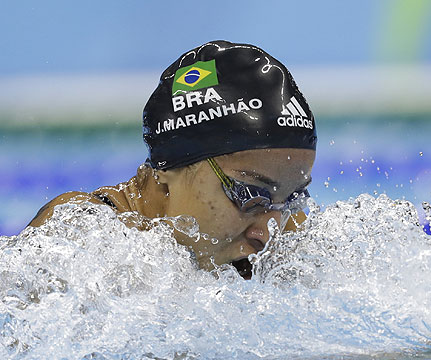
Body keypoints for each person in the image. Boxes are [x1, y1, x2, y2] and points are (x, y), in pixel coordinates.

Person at [28, 40, 317, 279]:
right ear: (172, 166)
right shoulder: (81, 237)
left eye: (292, 198)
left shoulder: (286, 233)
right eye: (250, 197)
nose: (267, 235)